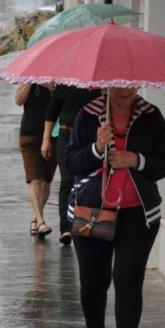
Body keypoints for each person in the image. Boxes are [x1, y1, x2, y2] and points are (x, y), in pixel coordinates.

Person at [65, 87, 165, 328]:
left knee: (128, 278)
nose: (125, 89)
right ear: (107, 83)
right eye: (118, 82)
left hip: (137, 214)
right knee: (93, 280)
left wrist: (134, 159)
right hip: (94, 210)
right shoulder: (89, 115)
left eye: (130, 82)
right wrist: (96, 149)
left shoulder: (151, 116)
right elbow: (71, 161)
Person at [41, 85, 101, 246]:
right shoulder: (63, 84)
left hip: (89, 137)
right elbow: (51, 113)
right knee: (67, 179)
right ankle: (66, 228)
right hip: (66, 135)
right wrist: (46, 139)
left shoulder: (97, 85)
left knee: (89, 180)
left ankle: (87, 223)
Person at [16, 83, 57, 239]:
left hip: (54, 134)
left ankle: (35, 218)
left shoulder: (57, 79)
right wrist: (30, 81)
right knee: (35, 179)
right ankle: (40, 221)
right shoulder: (28, 80)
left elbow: (61, 97)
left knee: (46, 180)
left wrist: (47, 84)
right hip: (30, 134)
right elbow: (19, 100)